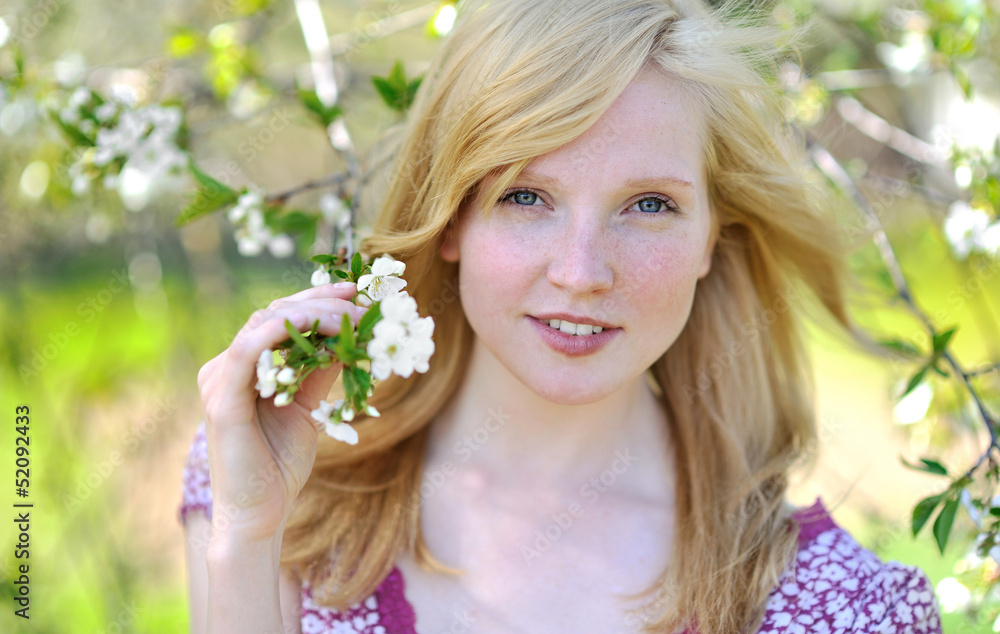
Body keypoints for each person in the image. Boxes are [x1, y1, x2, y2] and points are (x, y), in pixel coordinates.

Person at [180, 0, 944, 632]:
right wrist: (248, 537)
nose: (580, 272)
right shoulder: (281, 494)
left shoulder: (848, 610)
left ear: (712, 235)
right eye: (525, 196)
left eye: (649, 205)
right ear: (451, 221)